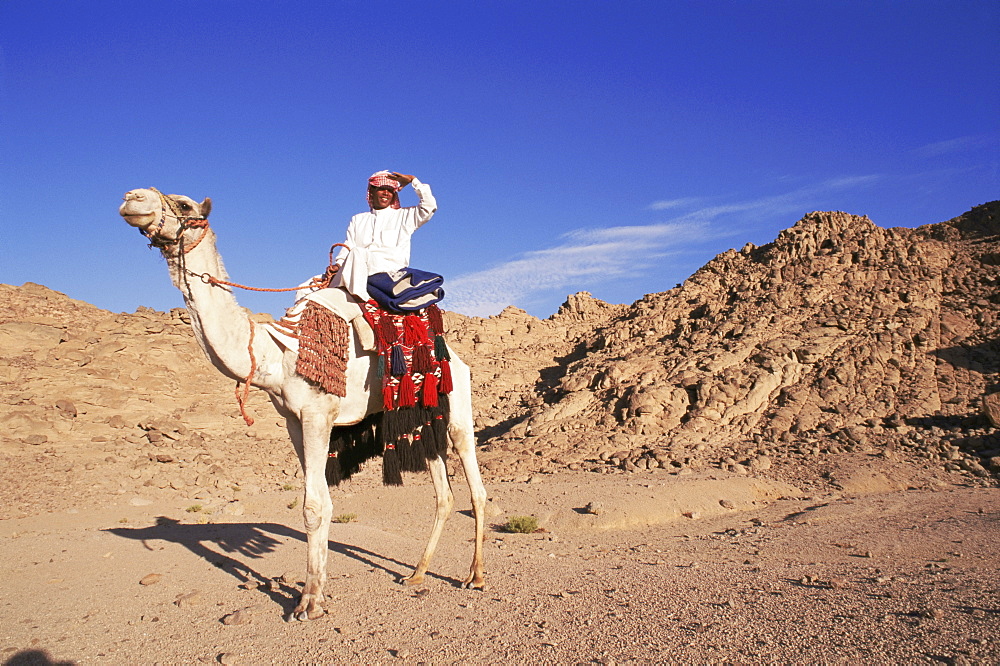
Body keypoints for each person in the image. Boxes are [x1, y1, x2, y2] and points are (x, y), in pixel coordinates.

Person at [331, 170, 437, 302]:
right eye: (382, 189)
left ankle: (361, 299)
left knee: (358, 253)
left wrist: (413, 180)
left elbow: (429, 206)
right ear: (372, 191)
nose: (386, 193)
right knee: (310, 287)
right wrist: (338, 264)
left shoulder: (404, 216)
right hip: (357, 265)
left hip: (389, 268)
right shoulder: (358, 219)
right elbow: (349, 244)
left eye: (390, 190)